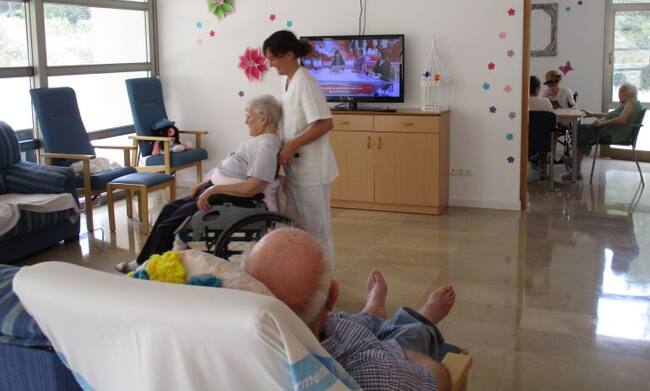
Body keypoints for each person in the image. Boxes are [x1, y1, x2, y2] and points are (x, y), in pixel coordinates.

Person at [246, 228, 457, 391]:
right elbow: (439, 381)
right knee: (410, 335)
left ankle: (372, 312)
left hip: (336, 331)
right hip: (384, 354)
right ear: (332, 296)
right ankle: (423, 319)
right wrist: (399, 352)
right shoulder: (379, 376)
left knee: (350, 321)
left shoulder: (237, 353)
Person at [115, 95, 282, 273]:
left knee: (169, 226)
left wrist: (213, 189)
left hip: (228, 198)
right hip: (216, 191)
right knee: (169, 208)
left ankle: (147, 268)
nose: (245, 121)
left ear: (263, 119)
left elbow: (253, 186)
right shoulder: (259, 142)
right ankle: (143, 261)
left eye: (248, 116)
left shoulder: (265, 146)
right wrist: (206, 184)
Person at [263, 30, 339, 263]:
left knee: (317, 231)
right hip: (295, 168)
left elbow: (325, 123)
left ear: (288, 54)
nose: (270, 64)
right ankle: (303, 276)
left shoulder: (305, 82)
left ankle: (326, 279)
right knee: (296, 227)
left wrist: (292, 145)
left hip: (313, 170)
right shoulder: (286, 81)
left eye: (273, 59)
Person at [564, 82, 642, 181]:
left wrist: (601, 124)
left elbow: (621, 120)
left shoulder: (631, 102)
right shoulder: (631, 104)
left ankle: (575, 166)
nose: (619, 94)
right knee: (581, 130)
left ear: (631, 94)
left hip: (612, 135)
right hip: (611, 132)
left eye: (622, 91)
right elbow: (609, 115)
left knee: (579, 130)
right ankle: (575, 163)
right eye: (619, 91)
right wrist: (592, 114)